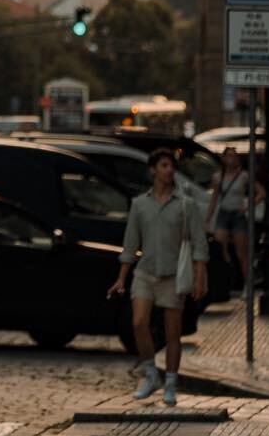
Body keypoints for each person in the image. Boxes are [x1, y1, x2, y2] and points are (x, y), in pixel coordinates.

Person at [109, 149, 209, 406]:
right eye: (164, 165)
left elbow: (199, 244)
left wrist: (199, 277)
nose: (169, 170)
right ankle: (151, 373)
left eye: (171, 166)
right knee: (139, 323)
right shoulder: (140, 204)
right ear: (153, 169)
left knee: (172, 332)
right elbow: (130, 245)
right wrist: (122, 278)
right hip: (145, 273)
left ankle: (171, 384)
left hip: (173, 276)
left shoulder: (186, 205)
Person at [206, 148, 254, 284]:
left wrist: (246, 207)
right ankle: (225, 281)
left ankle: (247, 284)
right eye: (228, 156)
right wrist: (208, 219)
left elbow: (260, 192)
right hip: (224, 213)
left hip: (237, 215)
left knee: (241, 253)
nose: (231, 159)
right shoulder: (218, 176)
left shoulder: (243, 176)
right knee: (221, 250)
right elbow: (214, 199)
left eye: (234, 156)